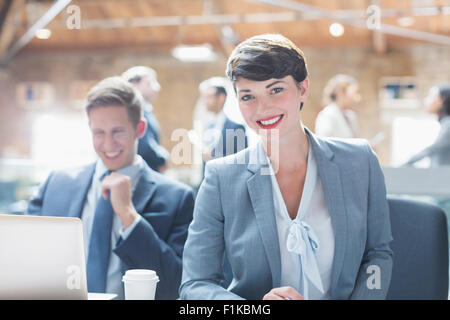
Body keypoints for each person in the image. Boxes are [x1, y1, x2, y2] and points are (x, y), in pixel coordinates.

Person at [180, 34, 393, 300]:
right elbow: (195, 285)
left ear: (303, 88)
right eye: (248, 97)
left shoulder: (360, 161)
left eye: (276, 90)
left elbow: (377, 256)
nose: (263, 109)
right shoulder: (221, 178)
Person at [27, 77, 194, 300]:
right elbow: (25, 256)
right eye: (99, 133)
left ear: (140, 128)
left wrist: (129, 216)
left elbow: (177, 284)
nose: (108, 144)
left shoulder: (178, 198)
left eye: (118, 132)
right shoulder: (56, 184)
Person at [122, 66, 169, 172]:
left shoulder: (145, 109)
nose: (157, 87)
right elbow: (143, 144)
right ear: (134, 85)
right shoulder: (134, 111)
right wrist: (162, 158)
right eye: (149, 83)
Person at [199, 77, 248, 177]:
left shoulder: (237, 128)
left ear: (221, 97)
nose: (205, 101)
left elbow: (241, 162)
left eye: (209, 97)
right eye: (204, 97)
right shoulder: (208, 127)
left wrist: (214, 157)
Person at [402, 85, 450, 167]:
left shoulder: (448, 124)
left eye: (431, 96)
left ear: (442, 100)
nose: (426, 100)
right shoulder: (444, 124)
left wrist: (404, 164)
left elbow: (433, 149)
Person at [315, 74, 361, 139]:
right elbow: (324, 144)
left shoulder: (351, 116)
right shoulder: (327, 115)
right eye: (354, 93)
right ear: (341, 93)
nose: (358, 98)